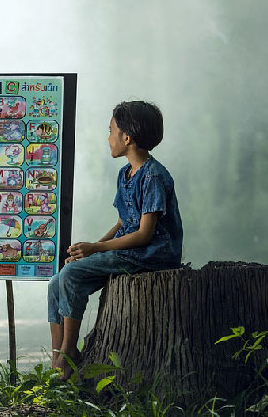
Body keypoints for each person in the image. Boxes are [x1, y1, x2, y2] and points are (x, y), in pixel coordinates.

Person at [46, 101, 183, 377]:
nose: (107, 138)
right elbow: (123, 221)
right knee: (56, 281)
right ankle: (58, 355)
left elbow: (144, 234)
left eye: (111, 131)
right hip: (129, 251)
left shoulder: (153, 175)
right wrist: (90, 249)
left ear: (127, 138)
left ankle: (68, 355)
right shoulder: (126, 174)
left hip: (152, 254)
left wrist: (96, 248)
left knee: (71, 275)